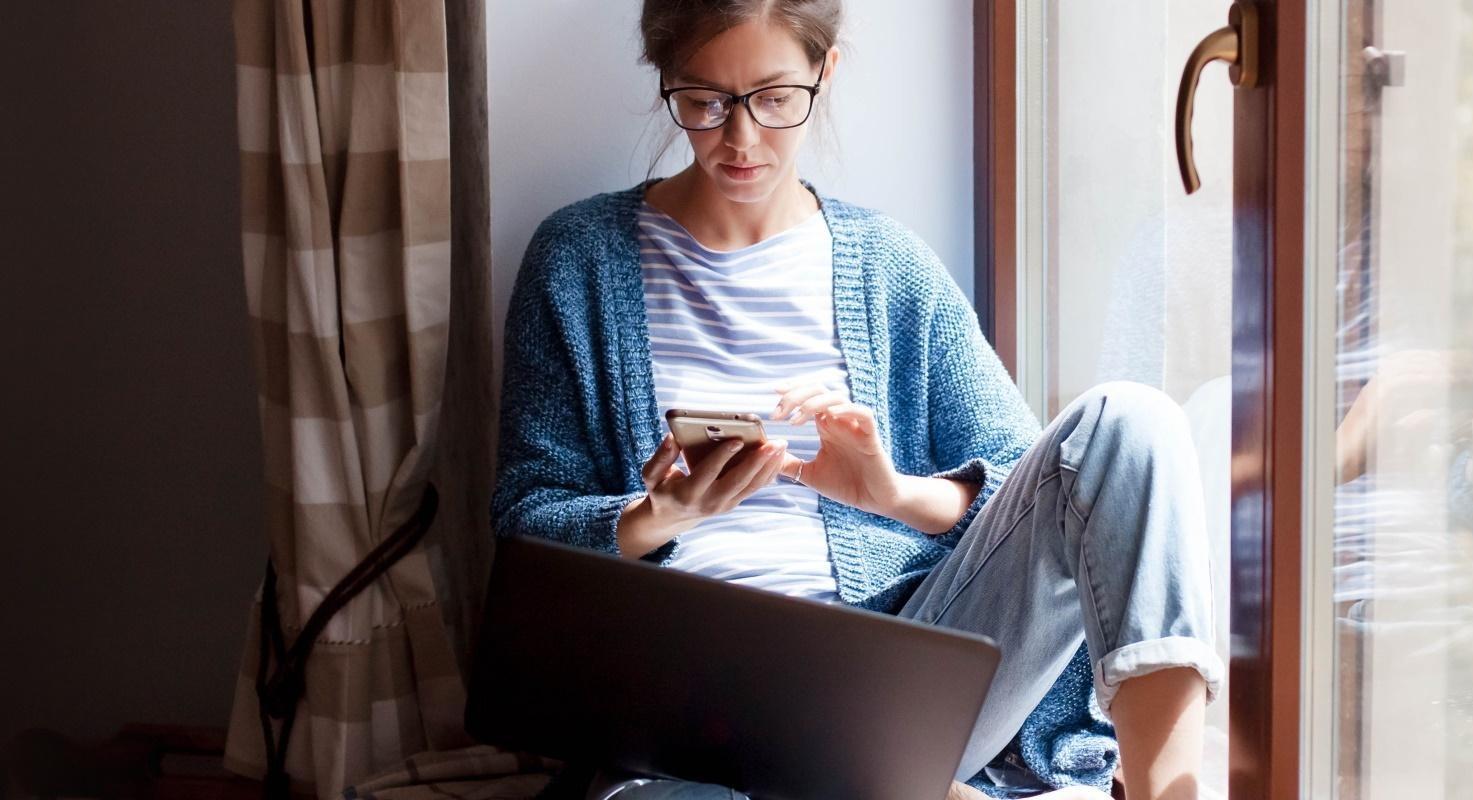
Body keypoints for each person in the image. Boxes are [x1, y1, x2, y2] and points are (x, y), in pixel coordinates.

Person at [491, 1, 1221, 797]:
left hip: (894, 679)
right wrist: (657, 517)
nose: (740, 139)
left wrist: (895, 493)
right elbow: (525, 526)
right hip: (683, 707)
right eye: (704, 102)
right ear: (666, 82)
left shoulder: (889, 266)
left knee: (1131, 423)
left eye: (774, 99)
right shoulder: (577, 261)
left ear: (823, 73)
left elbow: (1048, 492)